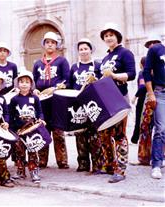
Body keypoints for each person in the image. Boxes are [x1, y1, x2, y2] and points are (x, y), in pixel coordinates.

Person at [99, 23, 136, 183]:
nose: (108, 38)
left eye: (111, 35)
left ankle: (120, 170)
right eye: (106, 36)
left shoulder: (125, 53)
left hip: (120, 96)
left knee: (120, 134)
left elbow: (132, 74)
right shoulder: (105, 57)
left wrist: (114, 75)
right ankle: (109, 165)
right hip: (105, 98)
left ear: (117, 36)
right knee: (104, 133)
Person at [32, 31, 70, 169]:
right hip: (42, 101)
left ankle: (62, 160)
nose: (50, 45)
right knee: (43, 129)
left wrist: (58, 87)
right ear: (44, 45)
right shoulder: (37, 63)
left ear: (56, 45)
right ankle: (42, 160)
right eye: (47, 42)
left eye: (53, 43)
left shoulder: (62, 61)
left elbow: (67, 80)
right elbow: (34, 80)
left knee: (58, 130)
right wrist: (34, 89)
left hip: (56, 99)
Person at [69, 38, 103, 173]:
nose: (83, 51)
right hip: (78, 104)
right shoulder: (74, 67)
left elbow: (102, 82)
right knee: (80, 133)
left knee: (95, 133)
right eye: (81, 49)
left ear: (90, 50)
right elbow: (70, 85)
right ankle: (83, 162)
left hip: (93, 103)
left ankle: (97, 164)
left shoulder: (97, 65)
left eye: (85, 49)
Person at [9, 70, 46, 183]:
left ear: (31, 84)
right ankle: (20, 170)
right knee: (19, 151)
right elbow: (11, 115)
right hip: (19, 130)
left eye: (27, 82)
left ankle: (33, 170)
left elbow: (40, 112)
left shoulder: (35, 98)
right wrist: (12, 129)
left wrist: (41, 119)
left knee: (32, 150)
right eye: (21, 82)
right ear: (17, 84)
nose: (24, 84)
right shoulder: (14, 99)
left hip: (31, 129)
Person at [142, 41, 165, 179]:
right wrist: (151, 94)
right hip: (160, 92)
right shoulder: (156, 48)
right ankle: (156, 164)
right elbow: (146, 71)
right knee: (160, 128)